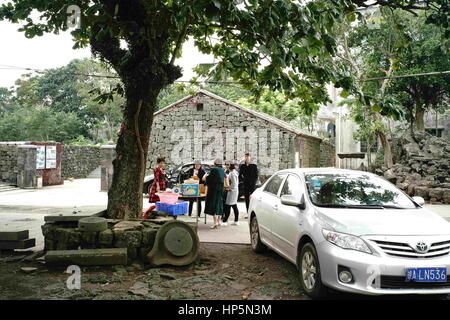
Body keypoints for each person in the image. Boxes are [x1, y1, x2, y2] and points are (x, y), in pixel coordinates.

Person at [204, 158, 225, 229]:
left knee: (214, 205)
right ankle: (218, 222)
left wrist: (205, 177)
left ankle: (215, 222)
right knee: (219, 204)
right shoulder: (222, 170)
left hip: (213, 190)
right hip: (220, 190)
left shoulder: (214, 169)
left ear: (215, 163)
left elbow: (209, 178)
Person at [222, 161, 240, 226]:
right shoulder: (233, 172)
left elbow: (234, 183)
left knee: (228, 205)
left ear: (231, 165)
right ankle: (236, 220)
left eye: (228, 165)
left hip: (232, 191)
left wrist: (229, 188)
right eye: (226, 164)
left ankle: (225, 221)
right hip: (234, 191)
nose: (226, 166)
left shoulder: (232, 173)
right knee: (234, 205)